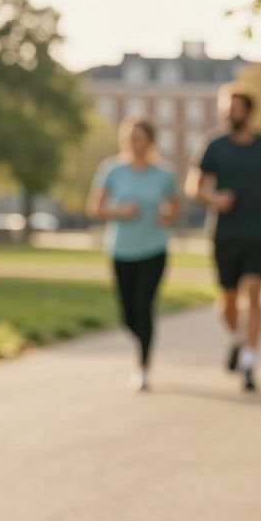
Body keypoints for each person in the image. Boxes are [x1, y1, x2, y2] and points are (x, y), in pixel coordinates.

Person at [185, 83, 261, 393]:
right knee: (228, 300)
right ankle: (238, 338)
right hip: (224, 232)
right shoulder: (213, 145)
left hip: (258, 230)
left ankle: (249, 361)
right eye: (225, 108)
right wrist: (213, 198)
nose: (229, 113)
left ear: (248, 111)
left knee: (254, 293)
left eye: (235, 108)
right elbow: (193, 186)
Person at [87, 117, 180, 391]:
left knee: (143, 307)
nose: (132, 142)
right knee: (127, 315)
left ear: (150, 141)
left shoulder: (164, 174)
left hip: (154, 249)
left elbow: (175, 206)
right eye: (128, 137)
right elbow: (94, 208)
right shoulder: (111, 170)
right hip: (121, 249)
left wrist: (168, 214)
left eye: (138, 137)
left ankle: (143, 366)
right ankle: (144, 340)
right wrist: (120, 211)